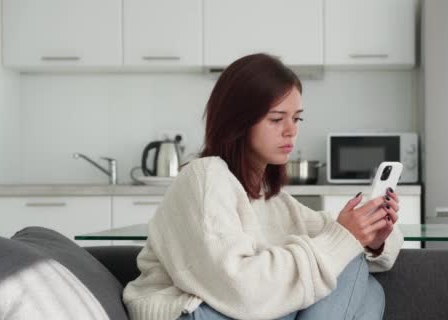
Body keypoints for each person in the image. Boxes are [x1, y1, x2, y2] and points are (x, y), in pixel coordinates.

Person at [123, 53, 404, 320]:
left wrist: (373, 239)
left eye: (296, 119)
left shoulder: (272, 200)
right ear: (239, 120)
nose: (291, 130)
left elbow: (352, 248)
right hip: (194, 314)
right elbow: (240, 289)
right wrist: (344, 239)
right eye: (276, 119)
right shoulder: (205, 176)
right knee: (349, 267)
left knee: (367, 284)